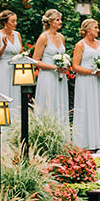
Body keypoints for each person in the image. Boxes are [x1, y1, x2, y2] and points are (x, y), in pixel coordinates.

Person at [72, 18, 100, 151]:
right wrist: (92, 72)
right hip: (85, 81)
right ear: (88, 29)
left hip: (99, 82)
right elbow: (75, 66)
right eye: (96, 27)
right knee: (86, 108)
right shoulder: (80, 45)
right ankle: (85, 142)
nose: (98, 30)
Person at [31, 8, 71, 139]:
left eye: (60, 19)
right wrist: (54, 67)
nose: (60, 22)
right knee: (48, 104)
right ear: (50, 22)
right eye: (58, 20)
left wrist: (64, 65)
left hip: (60, 77)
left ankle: (61, 137)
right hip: (48, 76)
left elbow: (63, 55)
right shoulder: (43, 37)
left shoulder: (61, 37)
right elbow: (35, 60)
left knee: (60, 103)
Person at [0, 9, 22, 98]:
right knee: (3, 92)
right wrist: (4, 46)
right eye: (12, 21)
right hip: (3, 68)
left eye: (16, 21)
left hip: (16, 69)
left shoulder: (17, 35)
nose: (15, 23)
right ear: (5, 22)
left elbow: (21, 52)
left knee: (16, 94)